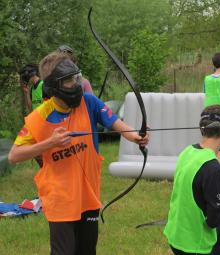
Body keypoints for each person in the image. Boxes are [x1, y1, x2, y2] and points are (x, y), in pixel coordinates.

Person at [8, 51, 149, 255]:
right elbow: (14, 155)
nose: (76, 84)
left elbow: (116, 123)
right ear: (55, 85)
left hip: (88, 196)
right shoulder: (39, 117)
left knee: (87, 250)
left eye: (76, 78)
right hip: (60, 200)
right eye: (68, 80)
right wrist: (50, 143)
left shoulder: (88, 102)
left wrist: (136, 136)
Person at [164, 105, 220, 255]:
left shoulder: (187, 152)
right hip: (192, 245)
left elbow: (193, 192)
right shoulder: (213, 168)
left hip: (175, 236)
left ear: (203, 129)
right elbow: (214, 220)